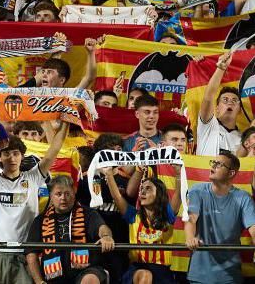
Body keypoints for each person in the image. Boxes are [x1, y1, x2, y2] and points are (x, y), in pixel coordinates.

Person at [0, 120, 69, 283]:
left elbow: (54, 149)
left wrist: (66, 121)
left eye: (16, 153)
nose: (12, 158)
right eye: (6, 153)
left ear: (22, 156)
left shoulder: (34, 178)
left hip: (26, 254)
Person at [26, 175, 116, 284]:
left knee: (89, 280)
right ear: (51, 196)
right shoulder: (40, 220)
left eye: (67, 193)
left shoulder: (88, 213)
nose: (63, 198)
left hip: (86, 270)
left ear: (74, 194)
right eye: (58, 194)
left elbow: (102, 227)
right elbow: (31, 254)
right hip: (54, 277)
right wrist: (39, 281)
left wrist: (106, 237)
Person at [102, 162, 182, 284]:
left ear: (159, 194)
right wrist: (109, 174)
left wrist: (178, 174)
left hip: (162, 272)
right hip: (137, 269)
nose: (142, 192)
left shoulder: (167, 215)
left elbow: (179, 194)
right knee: (145, 275)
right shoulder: (133, 215)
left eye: (148, 188)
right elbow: (118, 198)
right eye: (141, 189)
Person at [185, 150, 255, 284]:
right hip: (199, 275)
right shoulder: (196, 190)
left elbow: (253, 227)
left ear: (231, 173)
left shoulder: (243, 198)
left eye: (219, 164)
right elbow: (191, 219)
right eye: (213, 162)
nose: (213, 166)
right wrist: (190, 238)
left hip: (230, 276)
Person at [197, 51, 243, 155]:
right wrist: (221, 68)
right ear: (216, 107)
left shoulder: (244, 140)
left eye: (234, 100)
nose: (230, 103)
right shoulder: (207, 125)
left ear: (240, 109)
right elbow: (208, 98)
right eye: (225, 100)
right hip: (203, 171)